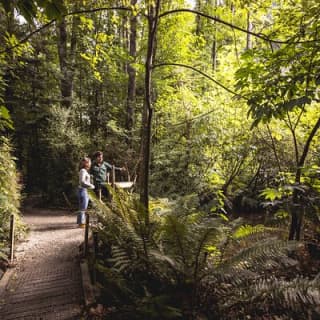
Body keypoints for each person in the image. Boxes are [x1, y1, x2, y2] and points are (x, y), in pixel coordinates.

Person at [77, 157, 95, 227]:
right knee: (83, 207)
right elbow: (82, 182)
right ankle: (82, 223)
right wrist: (91, 185)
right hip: (83, 190)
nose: (90, 164)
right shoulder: (83, 171)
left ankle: (80, 222)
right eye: (89, 162)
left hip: (84, 190)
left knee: (82, 207)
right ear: (86, 163)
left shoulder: (84, 171)